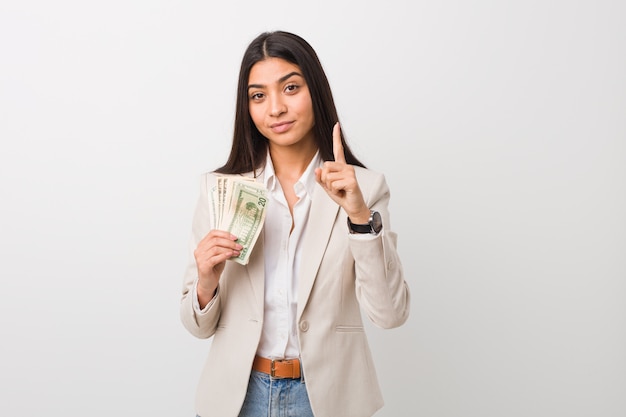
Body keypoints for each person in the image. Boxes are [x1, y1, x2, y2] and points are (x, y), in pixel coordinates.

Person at [180, 30, 410, 417]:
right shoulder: (220, 190)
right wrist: (206, 281)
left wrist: (357, 217)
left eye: (290, 88)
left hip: (327, 400)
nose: (275, 108)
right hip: (239, 397)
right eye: (258, 95)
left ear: (315, 91)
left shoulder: (364, 189)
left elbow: (390, 314)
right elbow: (197, 327)